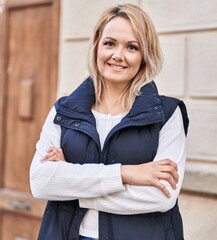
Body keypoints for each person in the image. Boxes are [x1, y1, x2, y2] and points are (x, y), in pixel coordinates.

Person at [30, 3, 189, 240]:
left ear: (144, 56)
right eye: (109, 43)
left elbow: (162, 196)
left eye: (132, 47)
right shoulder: (65, 110)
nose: (118, 55)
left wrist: (69, 180)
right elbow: (40, 183)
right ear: (96, 47)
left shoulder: (166, 114)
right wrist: (126, 174)